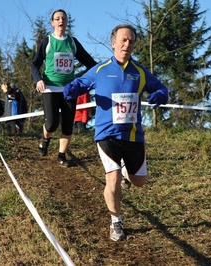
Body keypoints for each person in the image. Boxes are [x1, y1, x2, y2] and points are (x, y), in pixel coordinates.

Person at [63, 24, 169, 241]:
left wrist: (160, 94)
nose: (127, 44)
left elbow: (161, 87)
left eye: (131, 41)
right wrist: (71, 90)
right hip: (106, 134)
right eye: (123, 40)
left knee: (139, 181)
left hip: (132, 135)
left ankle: (125, 173)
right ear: (113, 43)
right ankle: (116, 221)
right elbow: (79, 83)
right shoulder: (100, 70)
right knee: (112, 179)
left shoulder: (138, 71)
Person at [30, 9, 97, 167]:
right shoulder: (47, 41)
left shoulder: (72, 42)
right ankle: (45, 139)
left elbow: (90, 63)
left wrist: (81, 78)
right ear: (52, 22)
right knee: (52, 123)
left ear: (67, 22)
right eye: (57, 18)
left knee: (67, 125)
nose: (61, 21)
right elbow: (35, 63)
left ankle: (61, 155)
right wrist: (38, 80)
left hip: (69, 89)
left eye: (64, 19)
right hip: (50, 88)